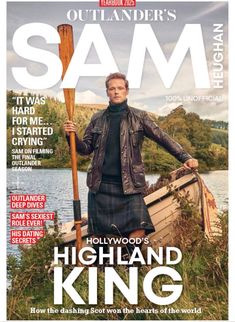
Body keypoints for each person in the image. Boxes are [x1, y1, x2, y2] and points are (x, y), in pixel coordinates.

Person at [64, 72, 198, 259]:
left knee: (139, 228)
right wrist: (72, 136)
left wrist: (185, 157)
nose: (116, 92)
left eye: (120, 88)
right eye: (112, 88)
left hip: (130, 184)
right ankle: (102, 270)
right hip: (100, 184)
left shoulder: (140, 116)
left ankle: (129, 266)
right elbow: (85, 149)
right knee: (99, 234)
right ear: (107, 92)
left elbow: (163, 138)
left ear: (126, 91)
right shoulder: (97, 118)